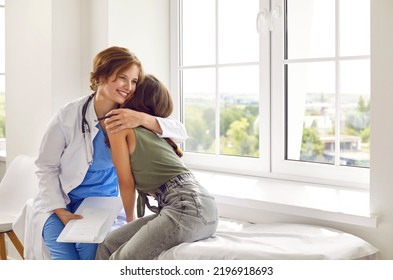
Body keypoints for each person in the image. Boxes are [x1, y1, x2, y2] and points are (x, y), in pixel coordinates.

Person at [23, 46, 187, 260]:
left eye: (134, 81)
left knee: (91, 253)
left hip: (100, 203)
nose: (129, 87)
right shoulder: (69, 115)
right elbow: (46, 166)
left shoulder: (131, 116)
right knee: (64, 256)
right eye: (122, 78)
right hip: (61, 201)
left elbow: (180, 131)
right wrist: (59, 209)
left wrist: (141, 118)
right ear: (101, 76)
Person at [95, 74, 218, 260]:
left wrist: (130, 219)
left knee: (121, 260)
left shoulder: (120, 126)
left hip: (187, 208)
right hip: (196, 206)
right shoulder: (157, 130)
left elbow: (126, 181)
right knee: (108, 244)